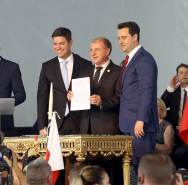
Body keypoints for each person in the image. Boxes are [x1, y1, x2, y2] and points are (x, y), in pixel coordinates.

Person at [67, 37, 123, 185]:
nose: (93, 53)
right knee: (89, 174)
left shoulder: (118, 71)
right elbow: (80, 98)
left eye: (97, 49)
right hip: (87, 130)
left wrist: (102, 102)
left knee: (109, 173)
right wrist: (72, 97)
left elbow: (120, 97)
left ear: (107, 51)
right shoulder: (86, 71)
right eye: (91, 50)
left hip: (108, 131)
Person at [117, 21, 158, 172]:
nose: (120, 41)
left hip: (141, 127)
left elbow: (146, 91)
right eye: (119, 38)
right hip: (130, 125)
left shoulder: (143, 59)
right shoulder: (129, 60)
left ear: (135, 37)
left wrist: (140, 120)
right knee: (136, 170)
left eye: (124, 37)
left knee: (145, 171)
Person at [37, 27, 91, 135]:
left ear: (70, 42)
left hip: (80, 121)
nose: (58, 47)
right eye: (55, 44)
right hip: (55, 122)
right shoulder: (47, 67)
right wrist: (42, 126)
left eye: (61, 43)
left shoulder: (85, 64)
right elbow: (42, 98)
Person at [161, 63, 188, 170]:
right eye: (181, 73)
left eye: (187, 73)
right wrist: (170, 88)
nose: (184, 75)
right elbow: (161, 107)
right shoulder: (173, 92)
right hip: (174, 131)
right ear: (177, 76)